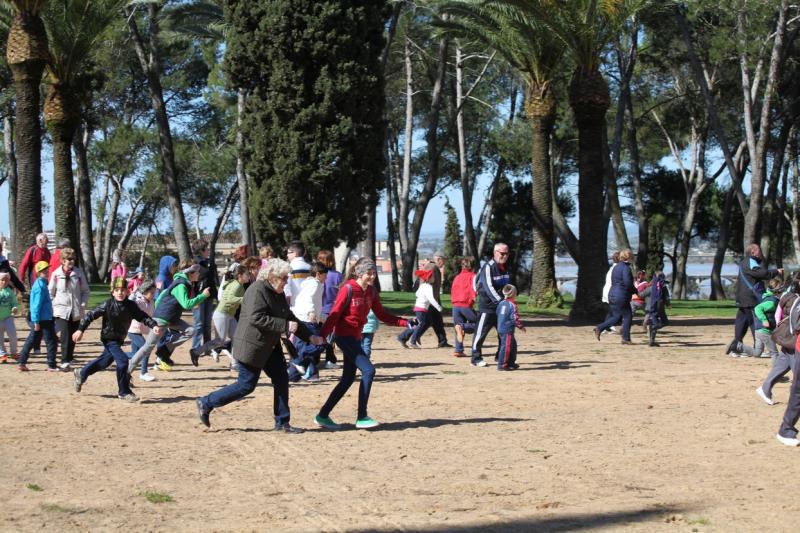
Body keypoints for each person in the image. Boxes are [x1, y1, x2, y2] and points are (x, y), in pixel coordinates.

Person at [195, 259, 323, 432]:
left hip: (269, 346)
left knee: (281, 379)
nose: (286, 281)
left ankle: (282, 423)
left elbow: (289, 316)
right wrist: (284, 327)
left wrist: (310, 337)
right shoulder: (257, 290)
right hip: (252, 346)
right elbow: (256, 318)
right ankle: (206, 402)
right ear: (271, 276)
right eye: (284, 278)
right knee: (246, 385)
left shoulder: (277, 292)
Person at [314, 258, 413, 430]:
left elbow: (382, 315)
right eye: (369, 273)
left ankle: (322, 415)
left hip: (356, 337)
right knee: (369, 370)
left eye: (374, 273)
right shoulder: (348, 289)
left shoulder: (371, 292)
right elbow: (334, 314)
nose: (372, 276)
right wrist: (322, 336)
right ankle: (362, 416)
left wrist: (406, 323)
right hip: (344, 337)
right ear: (359, 273)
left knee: (347, 379)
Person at [72, 277, 161, 402]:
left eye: (123, 290)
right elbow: (90, 315)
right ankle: (124, 391)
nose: (120, 292)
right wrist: (80, 329)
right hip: (108, 338)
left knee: (104, 362)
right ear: (112, 292)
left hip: (119, 339)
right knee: (123, 361)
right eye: (117, 290)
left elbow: (142, 316)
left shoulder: (131, 306)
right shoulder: (107, 304)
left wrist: (153, 325)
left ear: (127, 292)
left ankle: (82, 373)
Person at [127, 262, 210, 373]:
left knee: (191, 331)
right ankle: (127, 370)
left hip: (171, 319)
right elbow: (186, 304)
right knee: (147, 348)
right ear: (190, 273)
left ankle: (163, 350)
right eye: (197, 272)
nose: (199, 274)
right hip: (162, 319)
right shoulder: (181, 284)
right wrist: (203, 296)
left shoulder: (182, 282)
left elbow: (163, 295)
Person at [726, 243, 782, 355]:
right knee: (755, 322)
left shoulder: (745, 262)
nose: (761, 252)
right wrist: (776, 272)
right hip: (750, 298)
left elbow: (758, 271)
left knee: (741, 322)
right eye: (759, 251)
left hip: (743, 297)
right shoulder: (750, 262)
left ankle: (736, 346)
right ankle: (758, 348)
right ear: (753, 252)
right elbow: (762, 273)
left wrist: (761, 260)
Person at [757, 274, 799, 406]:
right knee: (797, 370)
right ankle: (795, 400)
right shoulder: (795, 299)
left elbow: (777, 316)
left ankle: (765, 388)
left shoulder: (786, 297)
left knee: (782, 364)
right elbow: (796, 323)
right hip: (793, 338)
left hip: (786, 336)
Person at [471, 243, 512, 367]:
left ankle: (500, 355)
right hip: (488, 307)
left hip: (502, 307)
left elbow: (508, 286)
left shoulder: (506, 267)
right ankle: (476, 358)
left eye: (506, 254)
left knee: (503, 333)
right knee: (480, 333)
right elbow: (488, 287)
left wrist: (509, 299)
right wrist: (500, 302)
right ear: (495, 253)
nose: (504, 256)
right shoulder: (488, 267)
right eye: (501, 253)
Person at [48, 247, 90, 370]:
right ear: (62, 260)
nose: (71, 261)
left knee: (73, 336)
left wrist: (83, 304)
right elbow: (50, 292)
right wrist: (53, 305)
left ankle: (70, 357)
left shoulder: (78, 273)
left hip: (76, 309)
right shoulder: (56, 274)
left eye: (72, 259)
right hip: (61, 310)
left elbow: (85, 291)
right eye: (68, 259)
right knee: (65, 335)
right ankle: (64, 360)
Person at [289, 261, 327, 382]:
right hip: (307, 319)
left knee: (302, 347)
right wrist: (311, 312)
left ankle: (296, 376)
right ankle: (298, 362)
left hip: (302, 318)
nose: (326, 278)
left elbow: (314, 303)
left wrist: (321, 316)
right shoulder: (315, 284)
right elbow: (309, 299)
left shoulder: (309, 284)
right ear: (318, 274)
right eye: (325, 276)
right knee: (320, 344)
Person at [203, 264, 249, 365]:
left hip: (229, 315)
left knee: (237, 338)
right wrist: (245, 299)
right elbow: (230, 299)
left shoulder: (238, 284)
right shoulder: (236, 284)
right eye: (247, 274)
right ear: (240, 275)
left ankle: (234, 363)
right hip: (222, 314)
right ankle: (197, 351)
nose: (249, 276)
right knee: (219, 341)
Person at [17, 261, 58, 372]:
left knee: (32, 340)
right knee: (52, 341)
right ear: (38, 272)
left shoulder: (43, 283)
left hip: (44, 317)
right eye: (43, 270)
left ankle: (21, 362)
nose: (46, 271)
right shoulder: (39, 285)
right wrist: (35, 321)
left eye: (46, 269)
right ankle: (51, 365)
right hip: (42, 319)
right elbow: (35, 305)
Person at [594, 249, 636, 345]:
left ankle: (599, 328)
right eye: (632, 256)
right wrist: (634, 290)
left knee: (617, 316)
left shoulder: (616, 267)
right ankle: (626, 339)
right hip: (621, 295)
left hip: (612, 294)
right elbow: (627, 283)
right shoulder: (625, 268)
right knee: (627, 316)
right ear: (629, 257)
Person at [397, 268, 442, 348]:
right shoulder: (428, 287)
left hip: (420, 308)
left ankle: (403, 337)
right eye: (433, 277)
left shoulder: (422, 286)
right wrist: (438, 307)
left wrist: (422, 299)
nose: (434, 278)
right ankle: (412, 341)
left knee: (427, 322)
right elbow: (431, 299)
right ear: (429, 278)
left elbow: (417, 294)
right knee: (420, 324)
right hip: (422, 309)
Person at [190, 239, 218, 360]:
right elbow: (192, 283)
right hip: (198, 298)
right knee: (199, 324)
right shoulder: (195, 263)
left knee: (207, 324)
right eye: (206, 249)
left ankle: (207, 348)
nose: (208, 251)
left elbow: (212, 281)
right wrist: (194, 299)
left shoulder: (209, 262)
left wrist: (216, 295)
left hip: (209, 296)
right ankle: (195, 349)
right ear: (201, 250)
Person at [127, 279, 158, 382]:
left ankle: (114, 355)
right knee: (146, 349)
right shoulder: (138, 301)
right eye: (152, 293)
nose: (153, 294)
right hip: (133, 330)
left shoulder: (151, 301)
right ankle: (143, 373)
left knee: (135, 354)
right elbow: (130, 302)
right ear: (144, 292)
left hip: (141, 330)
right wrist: (134, 292)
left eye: (154, 292)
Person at [317, 249, 341, 368]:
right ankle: (330, 359)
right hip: (332, 309)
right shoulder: (337, 276)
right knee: (330, 337)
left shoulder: (317, 276)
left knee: (318, 334)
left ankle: (315, 358)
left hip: (318, 309)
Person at [450, 256, 477, 357]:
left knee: (458, 327)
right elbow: (475, 289)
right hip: (466, 305)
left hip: (455, 305)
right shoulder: (473, 276)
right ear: (473, 266)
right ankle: (463, 327)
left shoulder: (457, 277)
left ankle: (458, 350)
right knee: (480, 323)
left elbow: (452, 290)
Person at [496, 284, 525, 371]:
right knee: (506, 347)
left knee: (513, 346)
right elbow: (515, 318)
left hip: (500, 327)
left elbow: (497, 313)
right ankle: (502, 365)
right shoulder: (512, 305)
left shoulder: (501, 303)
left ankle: (511, 363)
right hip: (507, 329)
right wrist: (520, 326)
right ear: (514, 294)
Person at [426, 251, 450, 348]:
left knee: (438, 321)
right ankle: (404, 336)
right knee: (424, 322)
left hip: (434, 299)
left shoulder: (433, 267)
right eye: (444, 261)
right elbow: (426, 284)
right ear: (439, 259)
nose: (444, 263)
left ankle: (442, 341)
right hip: (430, 300)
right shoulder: (432, 267)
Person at [640, 271, 671, 347]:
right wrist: (668, 304)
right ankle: (653, 328)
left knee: (654, 322)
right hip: (659, 306)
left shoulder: (650, 287)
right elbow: (666, 297)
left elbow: (641, 295)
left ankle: (652, 341)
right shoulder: (663, 286)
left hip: (650, 308)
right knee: (664, 322)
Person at [0, 272, 19, 363]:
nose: (4, 282)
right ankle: (2, 354)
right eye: (2, 280)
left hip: (8, 317)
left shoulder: (9, 291)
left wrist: (14, 308)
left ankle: (14, 352)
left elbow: (14, 303)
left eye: (6, 280)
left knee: (13, 335)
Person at [285, 241, 311, 306]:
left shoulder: (289, 268)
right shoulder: (310, 267)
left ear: (295, 253)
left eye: (288, 252)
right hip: (309, 303)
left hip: (295, 304)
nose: (287, 255)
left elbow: (286, 287)